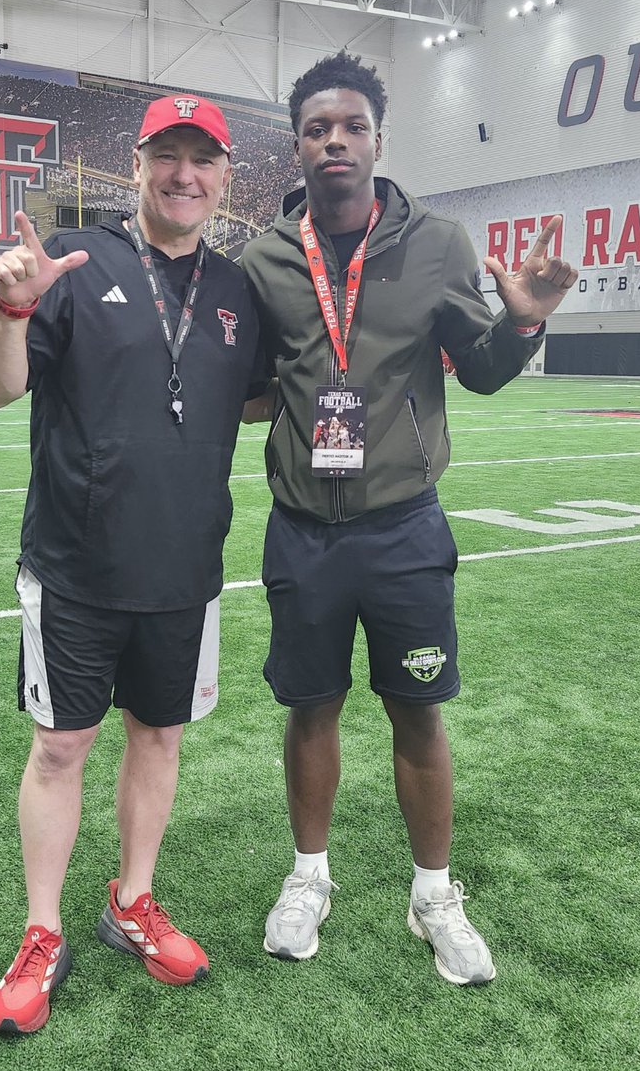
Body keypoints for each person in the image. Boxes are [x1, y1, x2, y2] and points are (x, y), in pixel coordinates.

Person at [239, 52, 578, 985]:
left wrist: (525, 323)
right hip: (302, 526)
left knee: (418, 712)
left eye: (350, 125)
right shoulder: (265, 260)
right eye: (316, 128)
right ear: (299, 145)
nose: (334, 140)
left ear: (377, 140)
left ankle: (434, 896)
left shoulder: (440, 243)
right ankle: (310, 877)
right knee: (311, 707)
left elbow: (486, 367)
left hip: (403, 527)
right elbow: (255, 389)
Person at [0, 94, 266, 1034]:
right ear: (136, 167)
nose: (185, 174)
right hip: (76, 565)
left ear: (226, 178)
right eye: (167, 156)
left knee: (161, 736)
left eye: (203, 159)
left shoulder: (236, 288)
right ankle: (43, 929)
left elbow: (251, 398)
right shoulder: (78, 262)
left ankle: (131, 902)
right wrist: (12, 307)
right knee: (61, 746)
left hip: (186, 565)